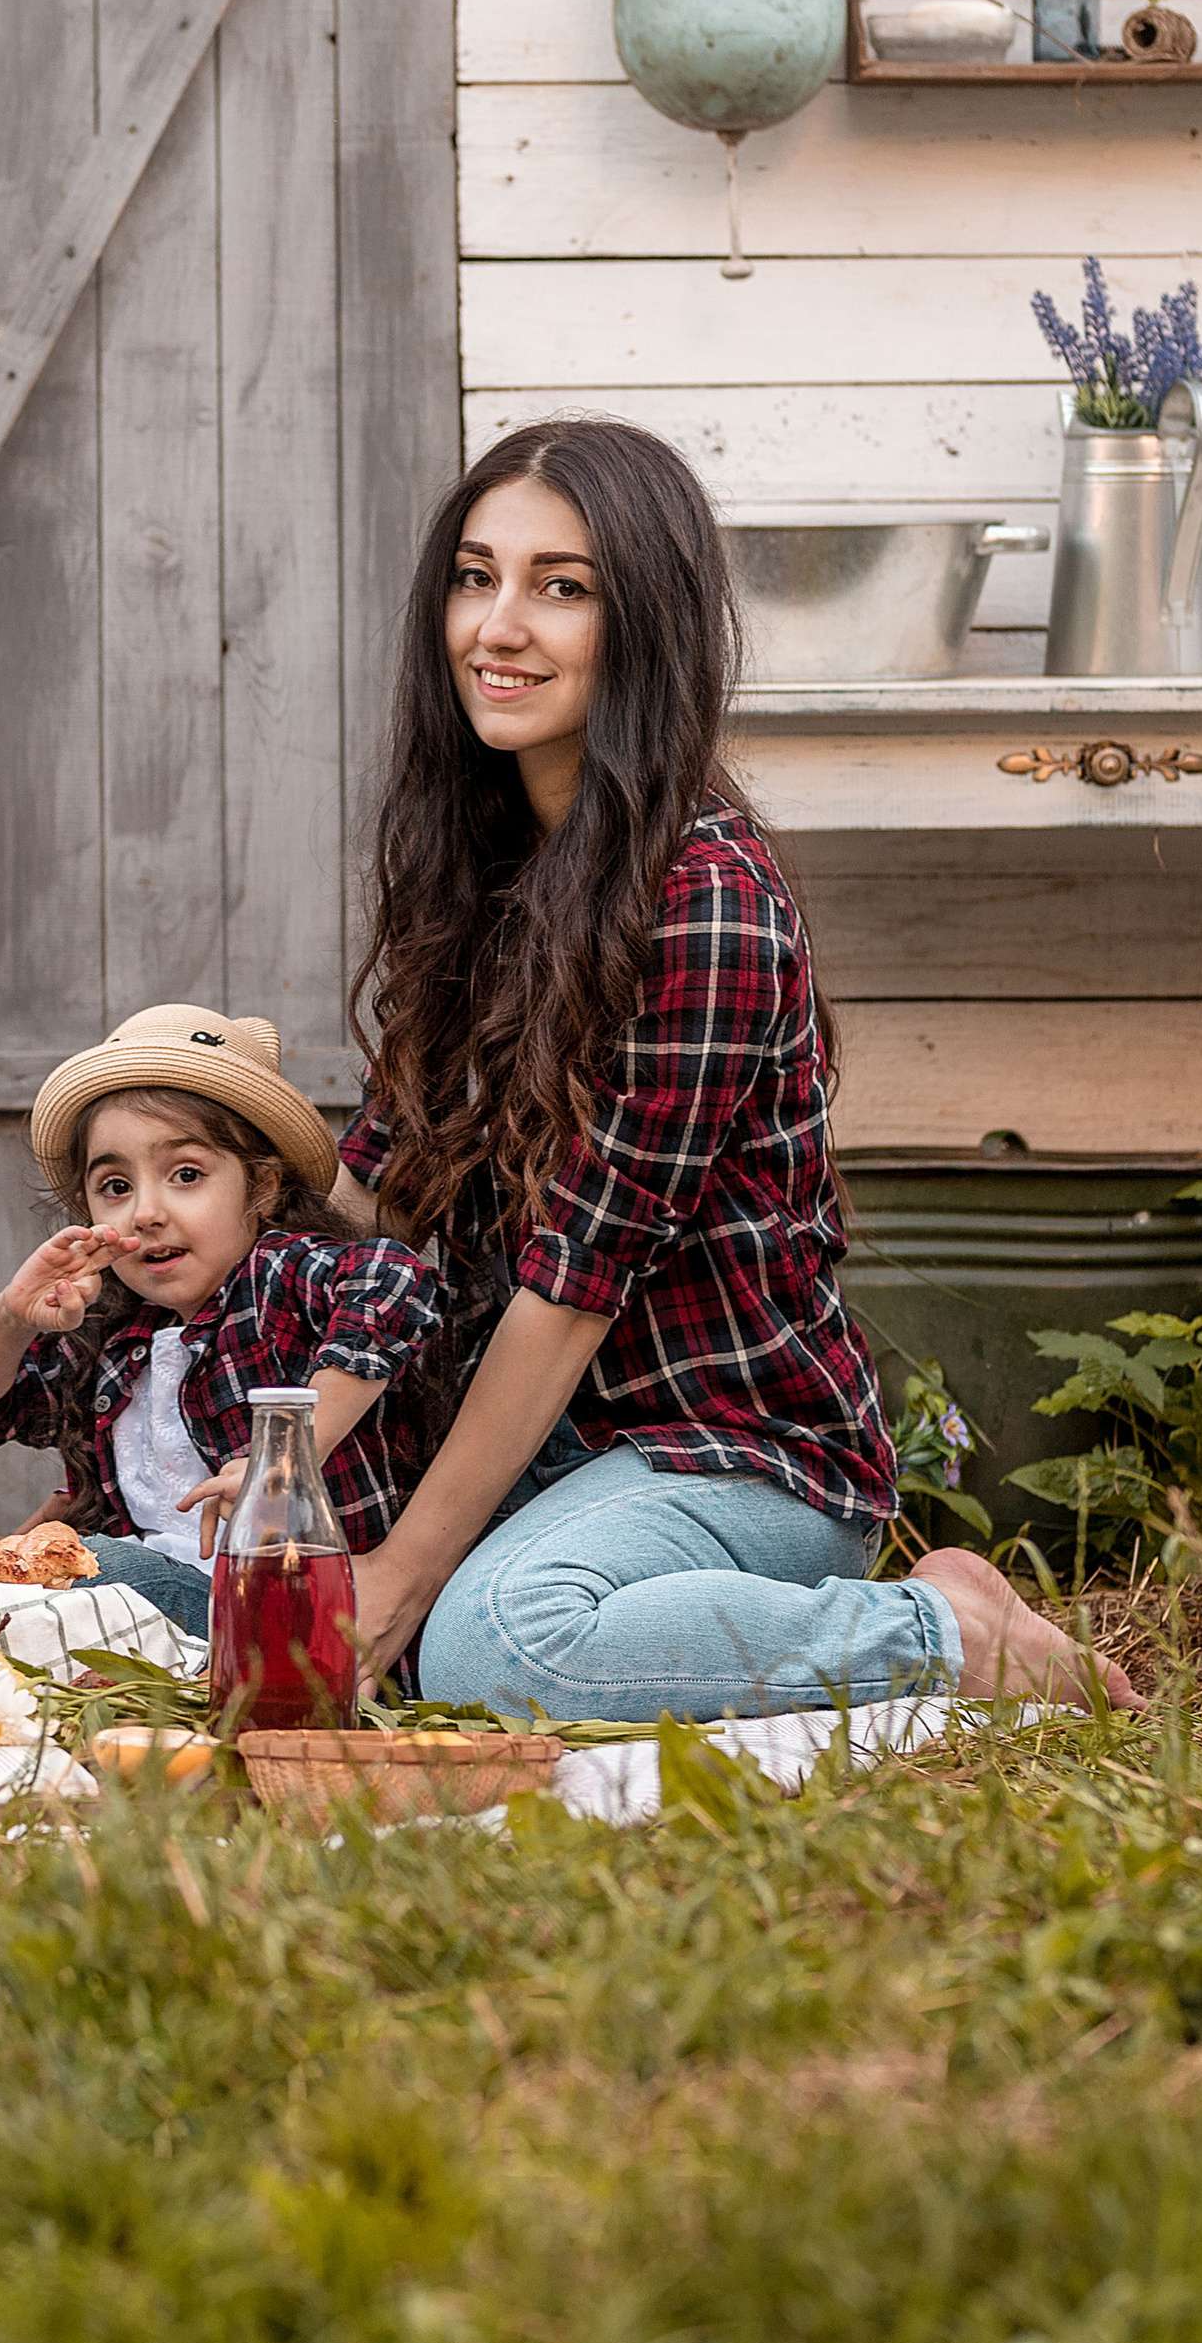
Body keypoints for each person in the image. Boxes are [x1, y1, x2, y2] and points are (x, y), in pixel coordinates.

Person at [331, 418, 1137, 1721]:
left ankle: (944, 1630)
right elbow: (378, 1186)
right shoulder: (471, 868)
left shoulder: (704, 897)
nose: (499, 625)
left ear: (642, 621)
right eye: (476, 576)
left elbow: (573, 1286)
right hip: (546, 1454)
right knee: (265, 1584)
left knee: (496, 1646)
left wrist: (407, 1575)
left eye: (562, 587)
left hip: (734, 1457)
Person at [0, 1007, 443, 1636]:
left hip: (279, 1612)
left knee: (101, 1569)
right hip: (144, 1614)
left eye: (186, 1175)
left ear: (262, 1188)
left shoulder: (276, 1278)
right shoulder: (117, 1331)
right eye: (115, 1186)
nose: (145, 1212)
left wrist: (282, 1460)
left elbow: (395, 1279)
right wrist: (11, 1314)